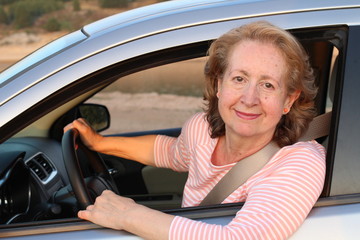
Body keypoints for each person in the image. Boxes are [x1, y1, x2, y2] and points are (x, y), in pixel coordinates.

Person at [64, 21, 326, 239]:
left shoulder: (299, 162)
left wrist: (129, 215)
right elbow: (170, 152)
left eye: (267, 85)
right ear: (219, 85)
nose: (249, 98)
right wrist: (101, 143)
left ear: (289, 100)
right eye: (239, 79)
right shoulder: (201, 130)